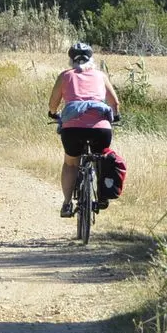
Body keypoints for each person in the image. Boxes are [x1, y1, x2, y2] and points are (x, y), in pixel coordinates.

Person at [47, 41, 120, 218]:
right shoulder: (100, 76)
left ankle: (66, 204)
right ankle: (102, 196)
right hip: (100, 129)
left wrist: (53, 113)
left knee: (71, 163)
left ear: (71, 60)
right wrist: (116, 116)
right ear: (91, 58)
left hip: (72, 129)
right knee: (101, 159)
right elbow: (114, 103)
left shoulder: (65, 75)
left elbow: (53, 103)